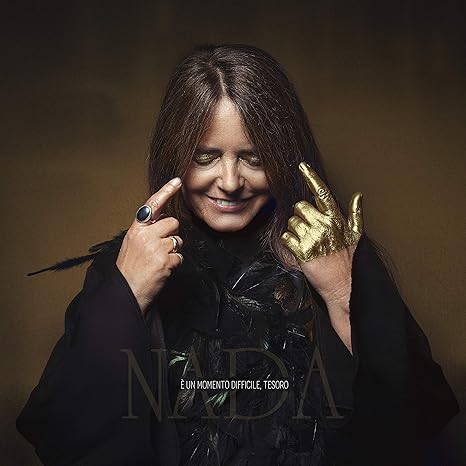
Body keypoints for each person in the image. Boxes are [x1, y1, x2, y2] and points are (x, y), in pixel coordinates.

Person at [17, 44, 458, 466]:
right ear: (174, 158)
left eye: (254, 158)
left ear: (285, 157)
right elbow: (64, 434)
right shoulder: (128, 266)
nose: (230, 182)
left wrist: (343, 292)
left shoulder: (335, 253)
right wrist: (124, 295)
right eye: (205, 157)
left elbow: (413, 423)